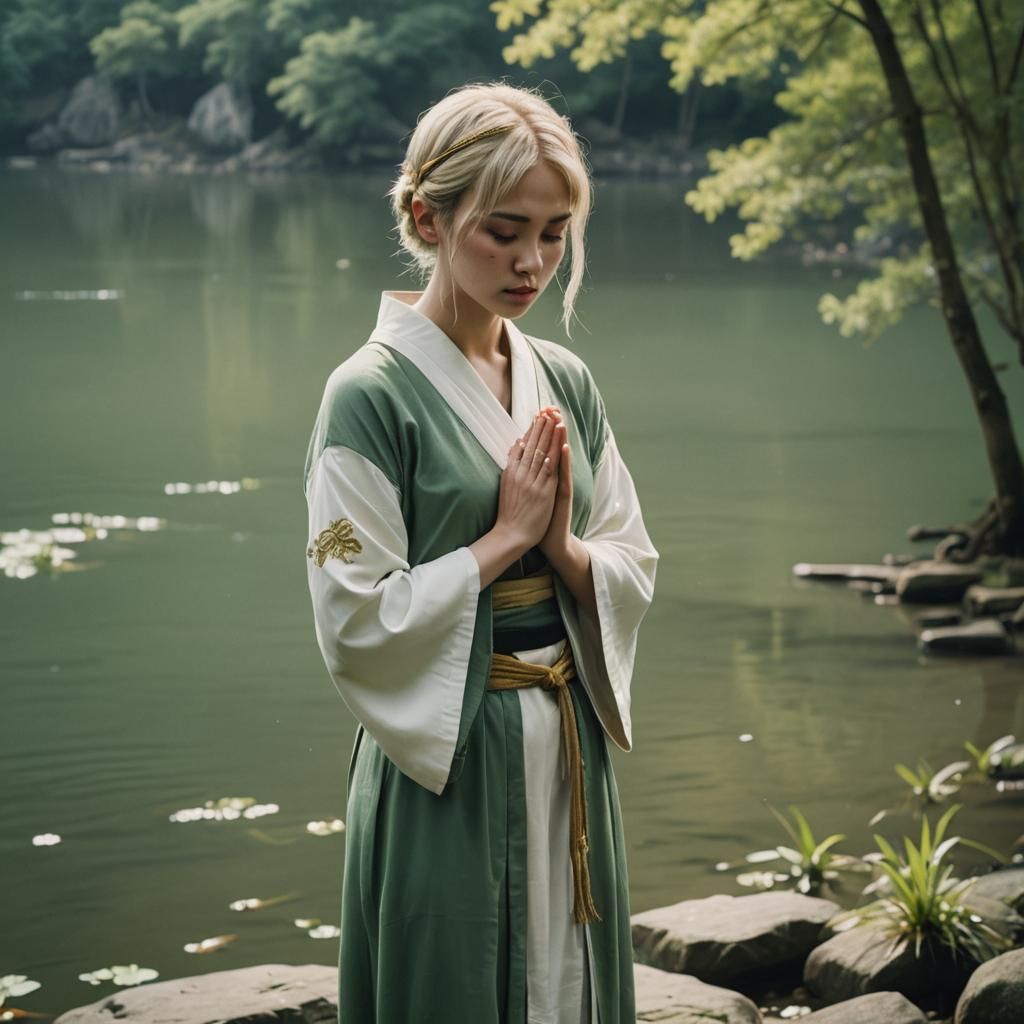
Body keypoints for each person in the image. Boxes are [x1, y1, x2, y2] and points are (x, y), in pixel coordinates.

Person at [303, 81, 658, 1024]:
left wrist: (562, 547)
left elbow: (630, 553)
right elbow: (354, 612)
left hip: (566, 721)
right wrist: (504, 542)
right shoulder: (366, 397)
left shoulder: (565, 380)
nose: (533, 261)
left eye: (555, 232)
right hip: (449, 747)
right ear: (428, 215)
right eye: (505, 230)